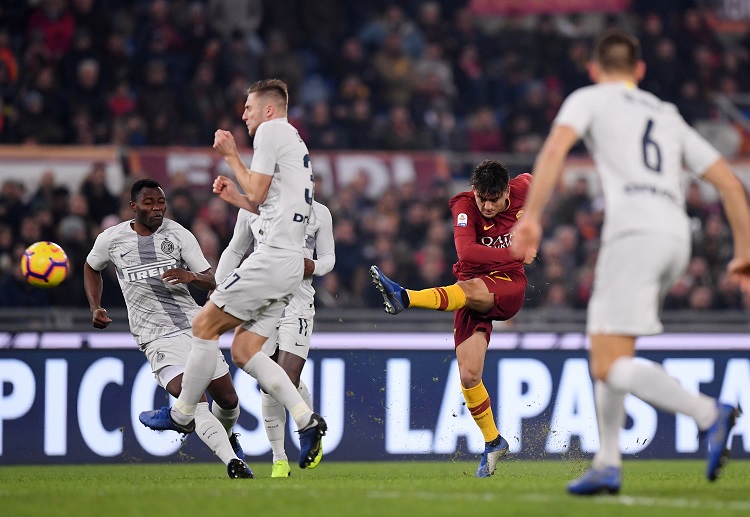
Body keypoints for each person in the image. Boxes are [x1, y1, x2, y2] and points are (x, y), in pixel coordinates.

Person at [510, 29, 750, 495]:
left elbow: (556, 148)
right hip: (676, 238)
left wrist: (533, 217)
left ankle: (709, 413)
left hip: (633, 233)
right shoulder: (667, 114)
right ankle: (607, 462)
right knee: (611, 347)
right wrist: (743, 254)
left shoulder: (589, 97)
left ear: (595, 70)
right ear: (639, 71)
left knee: (605, 364)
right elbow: (732, 186)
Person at [139, 78, 327, 470]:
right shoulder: (295, 144)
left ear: (269, 110)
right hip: (290, 264)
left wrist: (229, 155)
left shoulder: (272, 132)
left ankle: (183, 413)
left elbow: (258, 192)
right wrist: (234, 198)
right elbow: (266, 204)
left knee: (204, 325)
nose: (244, 115)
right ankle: (307, 420)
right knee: (244, 351)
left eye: (249, 108)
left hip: (273, 259)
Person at [370, 159, 536, 478]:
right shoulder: (462, 204)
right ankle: (493, 441)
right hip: (469, 293)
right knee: (469, 375)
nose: (487, 206)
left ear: (506, 192)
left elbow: (539, 199)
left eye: (494, 199)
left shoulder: (524, 188)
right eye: (481, 198)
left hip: (508, 286)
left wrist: (534, 234)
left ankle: (405, 297)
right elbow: (468, 255)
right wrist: (517, 251)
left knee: (468, 287)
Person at [83, 178, 254, 479]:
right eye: (149, 203)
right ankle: (233, 463)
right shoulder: (111, 239)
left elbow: (211, 278)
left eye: (161, 202)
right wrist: (95, 305)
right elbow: (91, 266)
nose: (157, 208)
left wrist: (189, 276)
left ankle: (224, 436)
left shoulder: (178, 234)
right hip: (155, 336)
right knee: (191, 398)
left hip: (196, 327)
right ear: (133, 206)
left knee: (228, 401)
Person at [214, 180, 335, 477]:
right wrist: (220, 285)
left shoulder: (319, 213)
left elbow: (329, 258)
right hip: (262, 300)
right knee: (270, 383)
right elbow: (234, 249)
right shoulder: (252, 211)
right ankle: (280, 458)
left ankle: (307, 429)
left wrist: (314, 267)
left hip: (298, 303)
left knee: (286, 376)